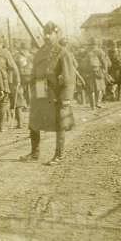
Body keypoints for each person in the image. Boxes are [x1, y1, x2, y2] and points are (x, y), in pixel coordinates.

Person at [23, 22, 80, 166]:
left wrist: (66, 97)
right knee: (34, 120)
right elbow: (34, 72)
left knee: (60, 122)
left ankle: (59, 155)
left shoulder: (62, 52)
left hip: (56, 92)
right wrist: (32, 87)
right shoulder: (40, 52)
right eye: (45, 33)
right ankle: (34, 153)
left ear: (56, 34)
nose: (47, 36)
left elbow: (69, 76)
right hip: (40, 89)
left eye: (50, 33)